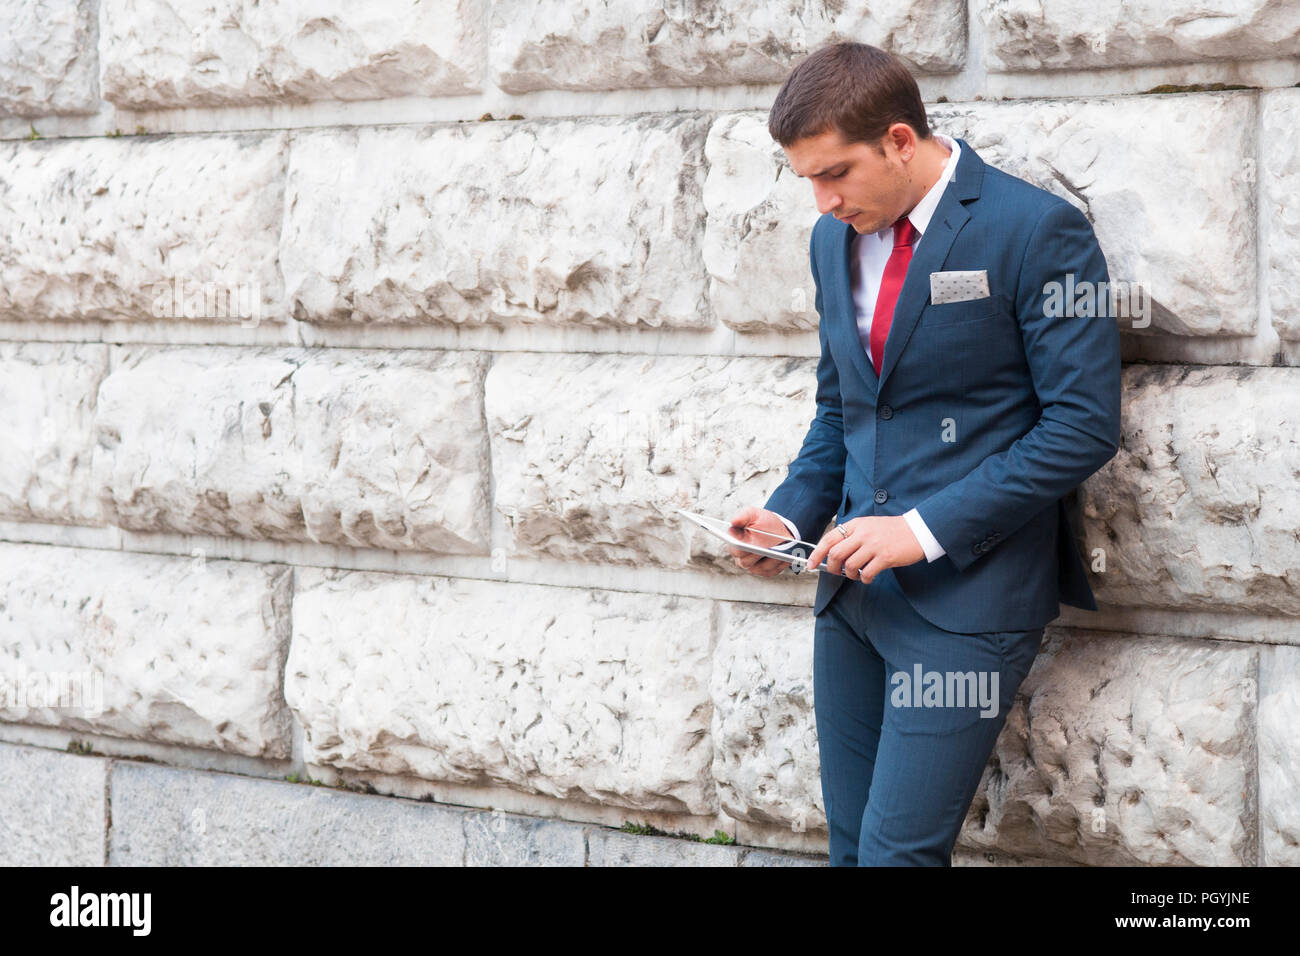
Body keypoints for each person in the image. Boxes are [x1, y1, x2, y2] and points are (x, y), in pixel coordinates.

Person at [727, 41, 1121, 866]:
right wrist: (785, 515)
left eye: (835, 173)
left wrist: (922, 528)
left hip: (966, 605)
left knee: (896, 857)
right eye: (805, 178)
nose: (822, 198)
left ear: (900, 141)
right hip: (850, 598)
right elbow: (843, 412)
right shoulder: (831, 243)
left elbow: (1081, 426)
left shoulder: (1035, 230)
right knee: (848, 850)